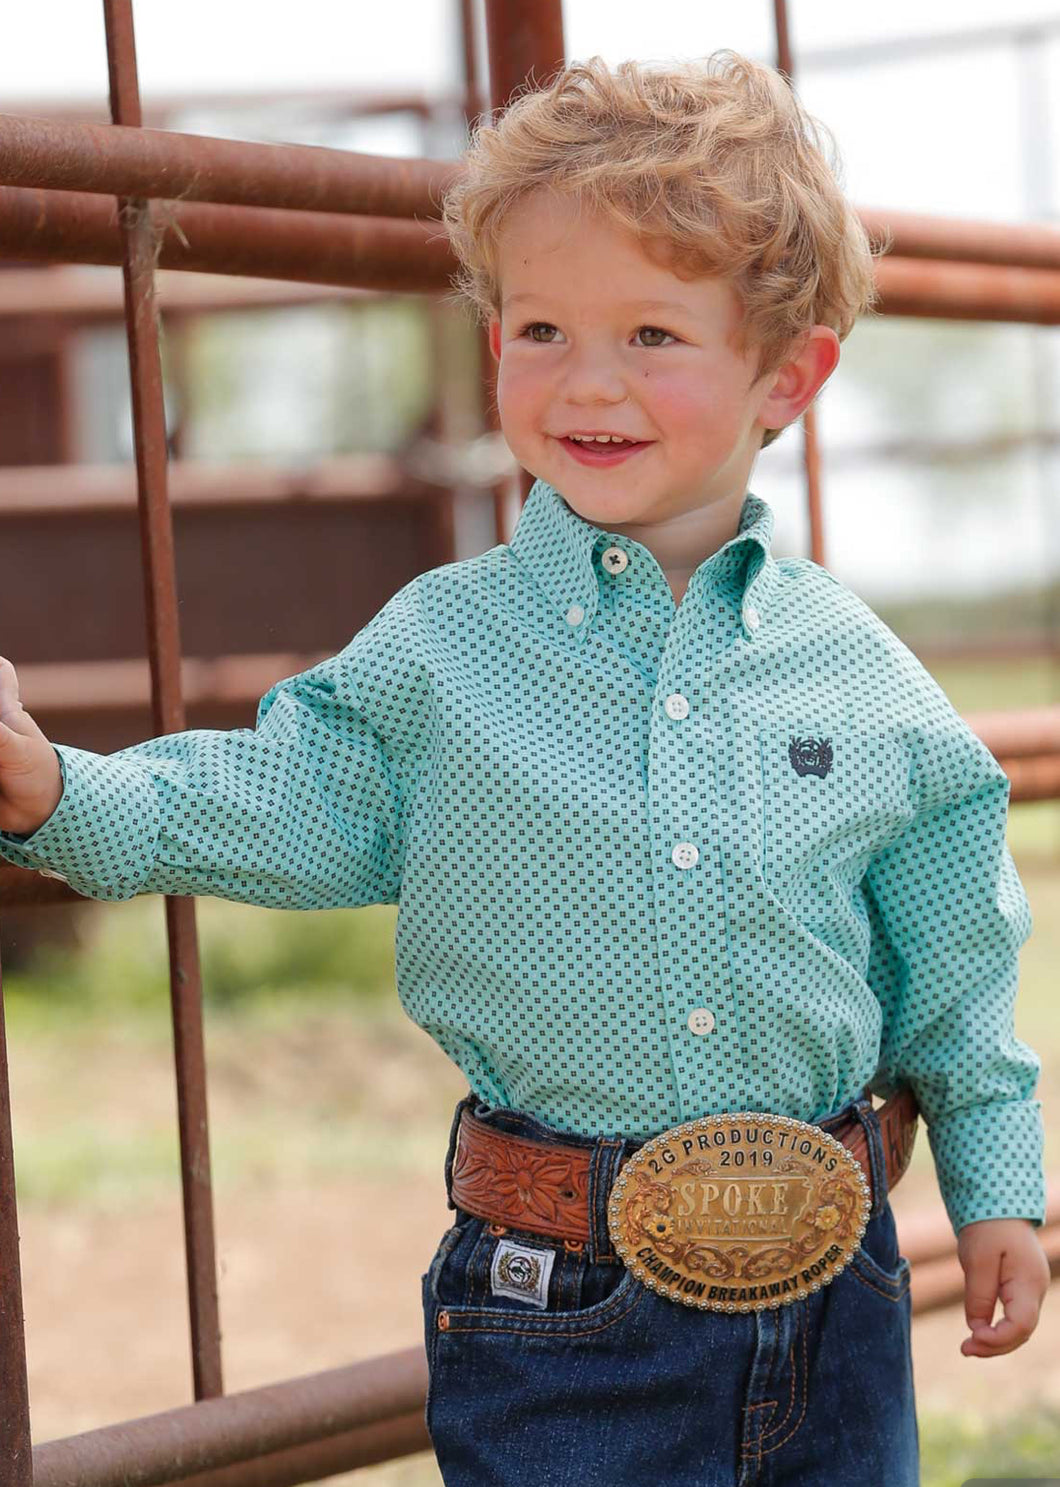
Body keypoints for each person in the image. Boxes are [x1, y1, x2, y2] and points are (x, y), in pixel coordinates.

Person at [0, 49, 1050, 1487]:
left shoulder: (861, 673)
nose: (588, 381)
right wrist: (66, 796)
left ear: (787, 376)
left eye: (654, 337)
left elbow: (953, 962)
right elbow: (284, 796)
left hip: (835, 1296)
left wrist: (1001, 1190)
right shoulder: (444, 650)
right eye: (541, 327)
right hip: (556, 1303)